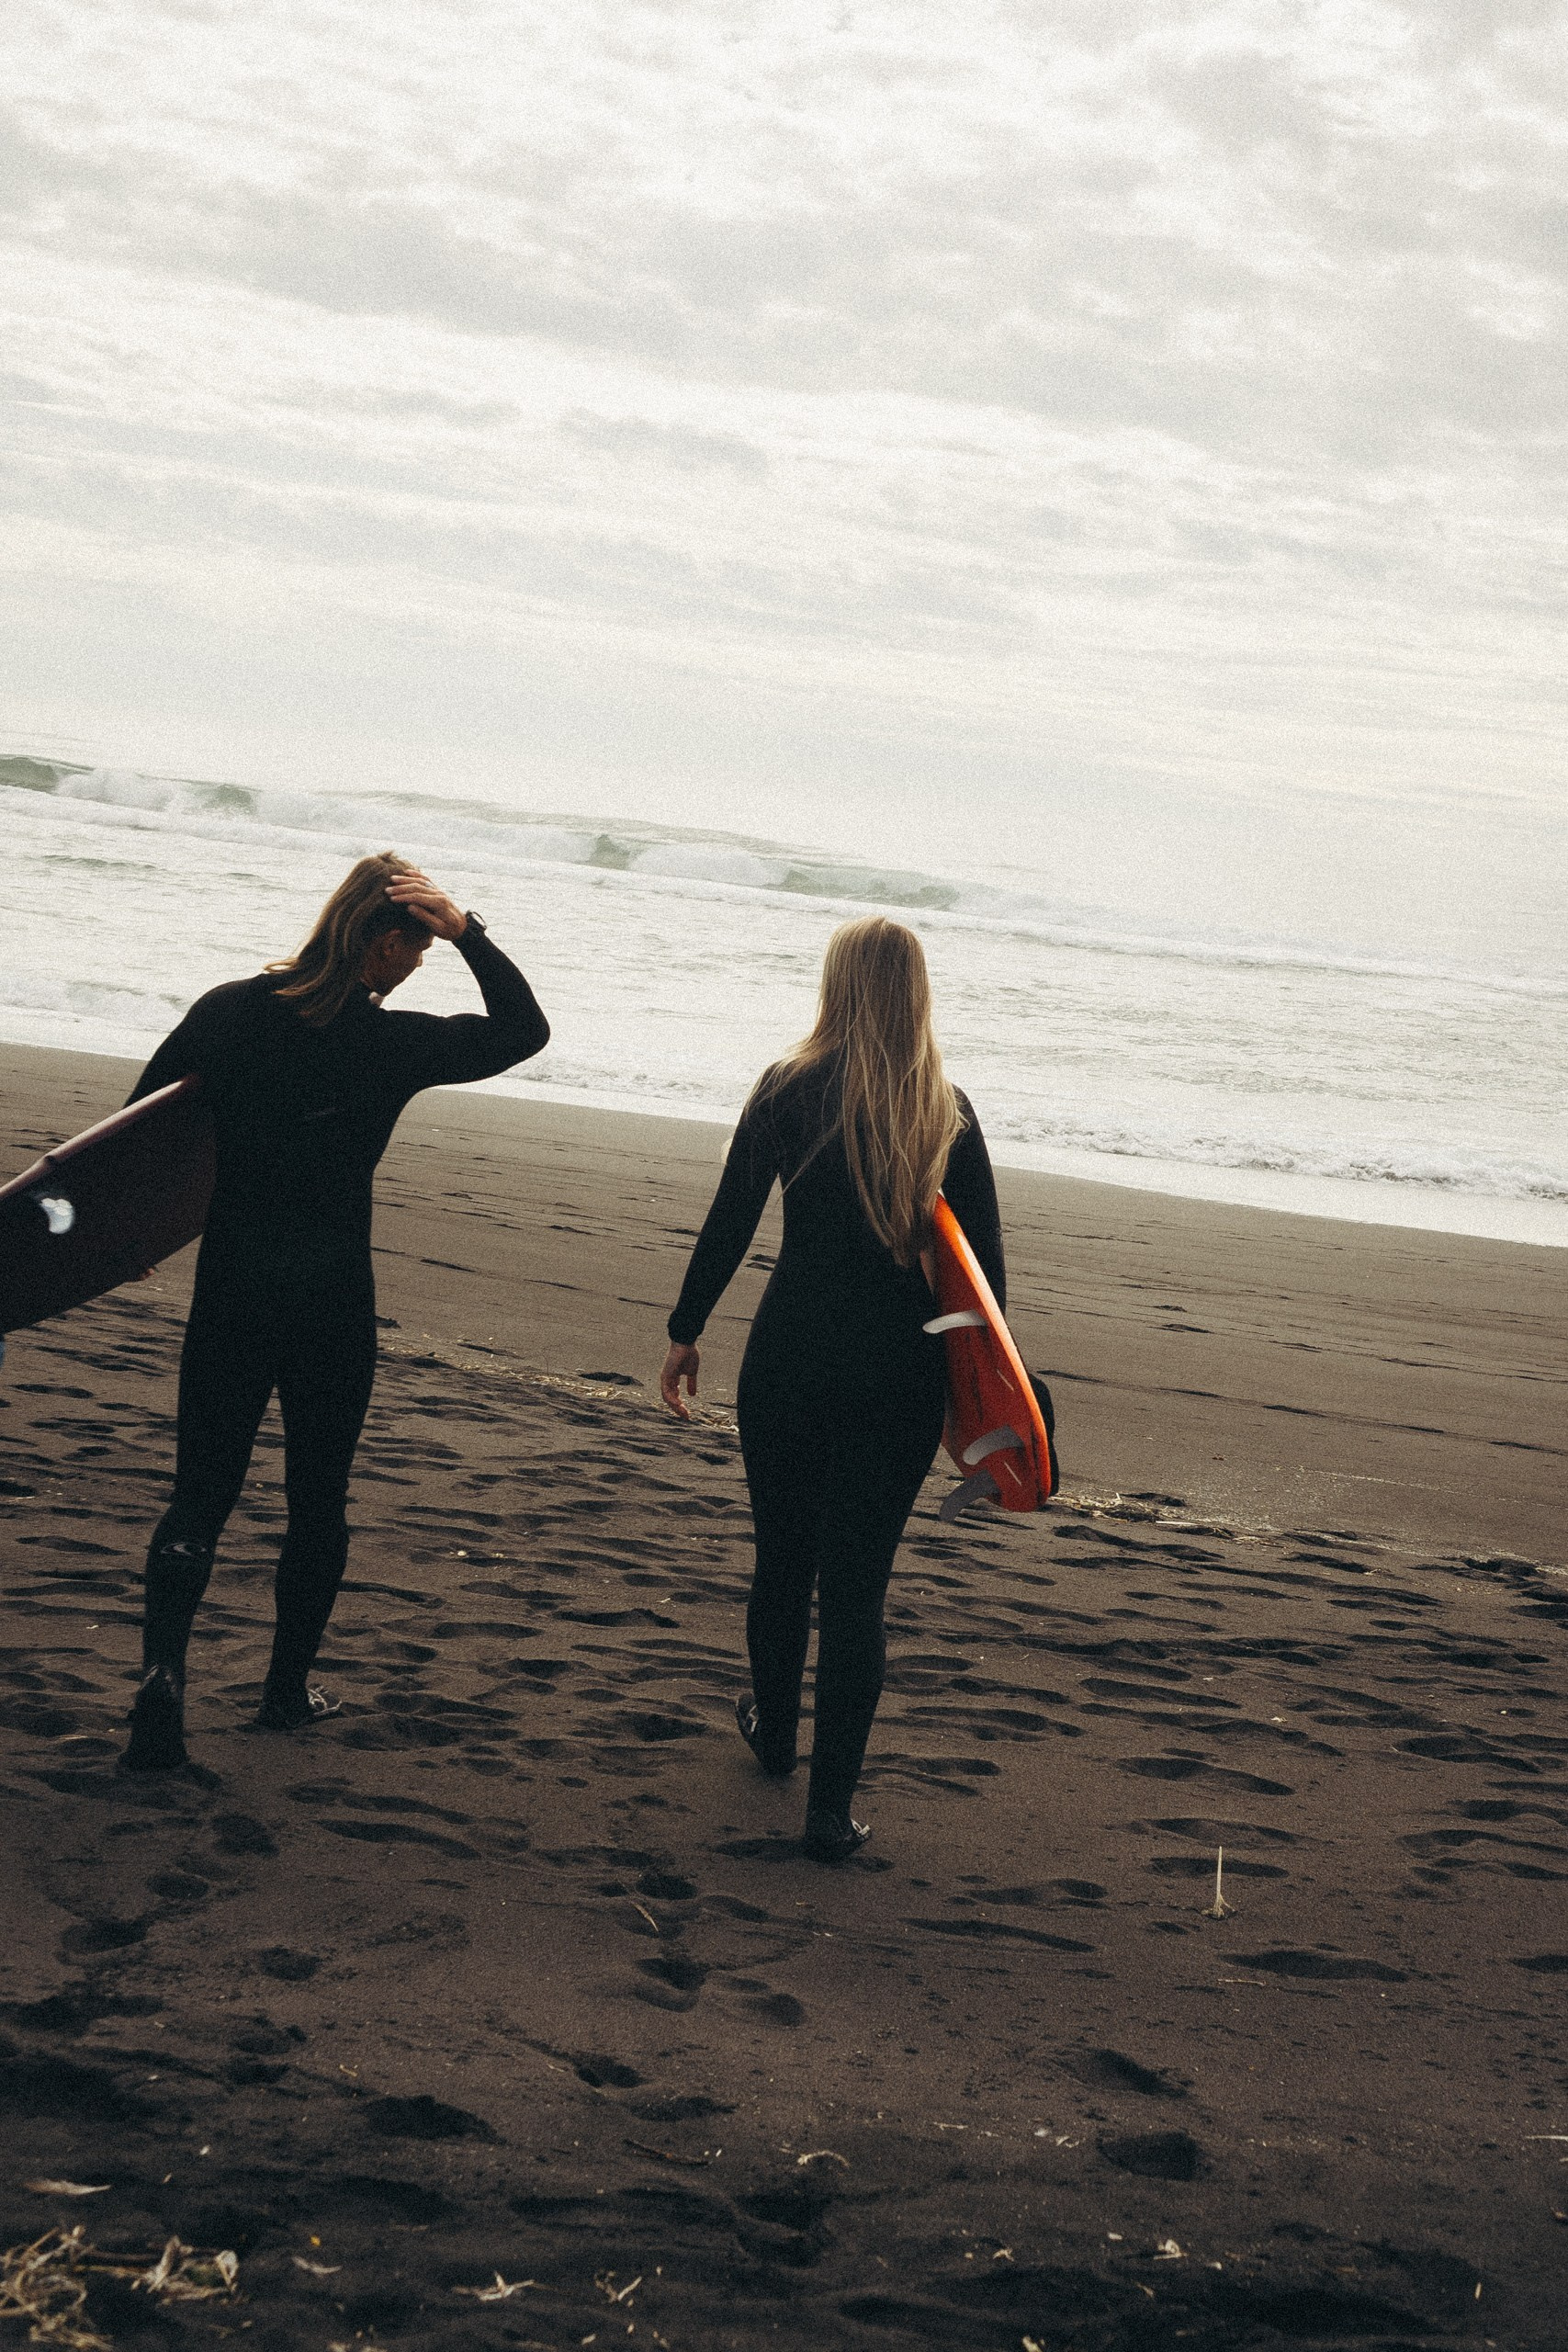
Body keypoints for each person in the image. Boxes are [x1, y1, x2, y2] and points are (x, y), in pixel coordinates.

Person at [120, 854, 549, 1772]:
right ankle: (283, 1693)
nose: (419, 966)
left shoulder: (228, 1009)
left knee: (200, 1492)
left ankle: (162, 1683)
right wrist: (469, 932)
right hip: (331, 1295)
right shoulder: (387, 1043)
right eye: (418, 950)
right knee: (317, 1497)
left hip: (234, 1283)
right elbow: (524, 1031)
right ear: (384, 943)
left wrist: (130, 1234)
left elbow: (140, 1127)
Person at [660, 915, 1004, 1861]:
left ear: (836, 983)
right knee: (858, 1591)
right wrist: (981, 1404)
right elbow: (983, 1288)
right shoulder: (946, 1111)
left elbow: (730, 1219)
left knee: (782, 1561)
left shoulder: (786, 1087)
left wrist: (686, 1330)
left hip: (791, 1358)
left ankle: (775, 1736)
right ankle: (828, 1813)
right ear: (916, 993)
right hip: (898, 1374)